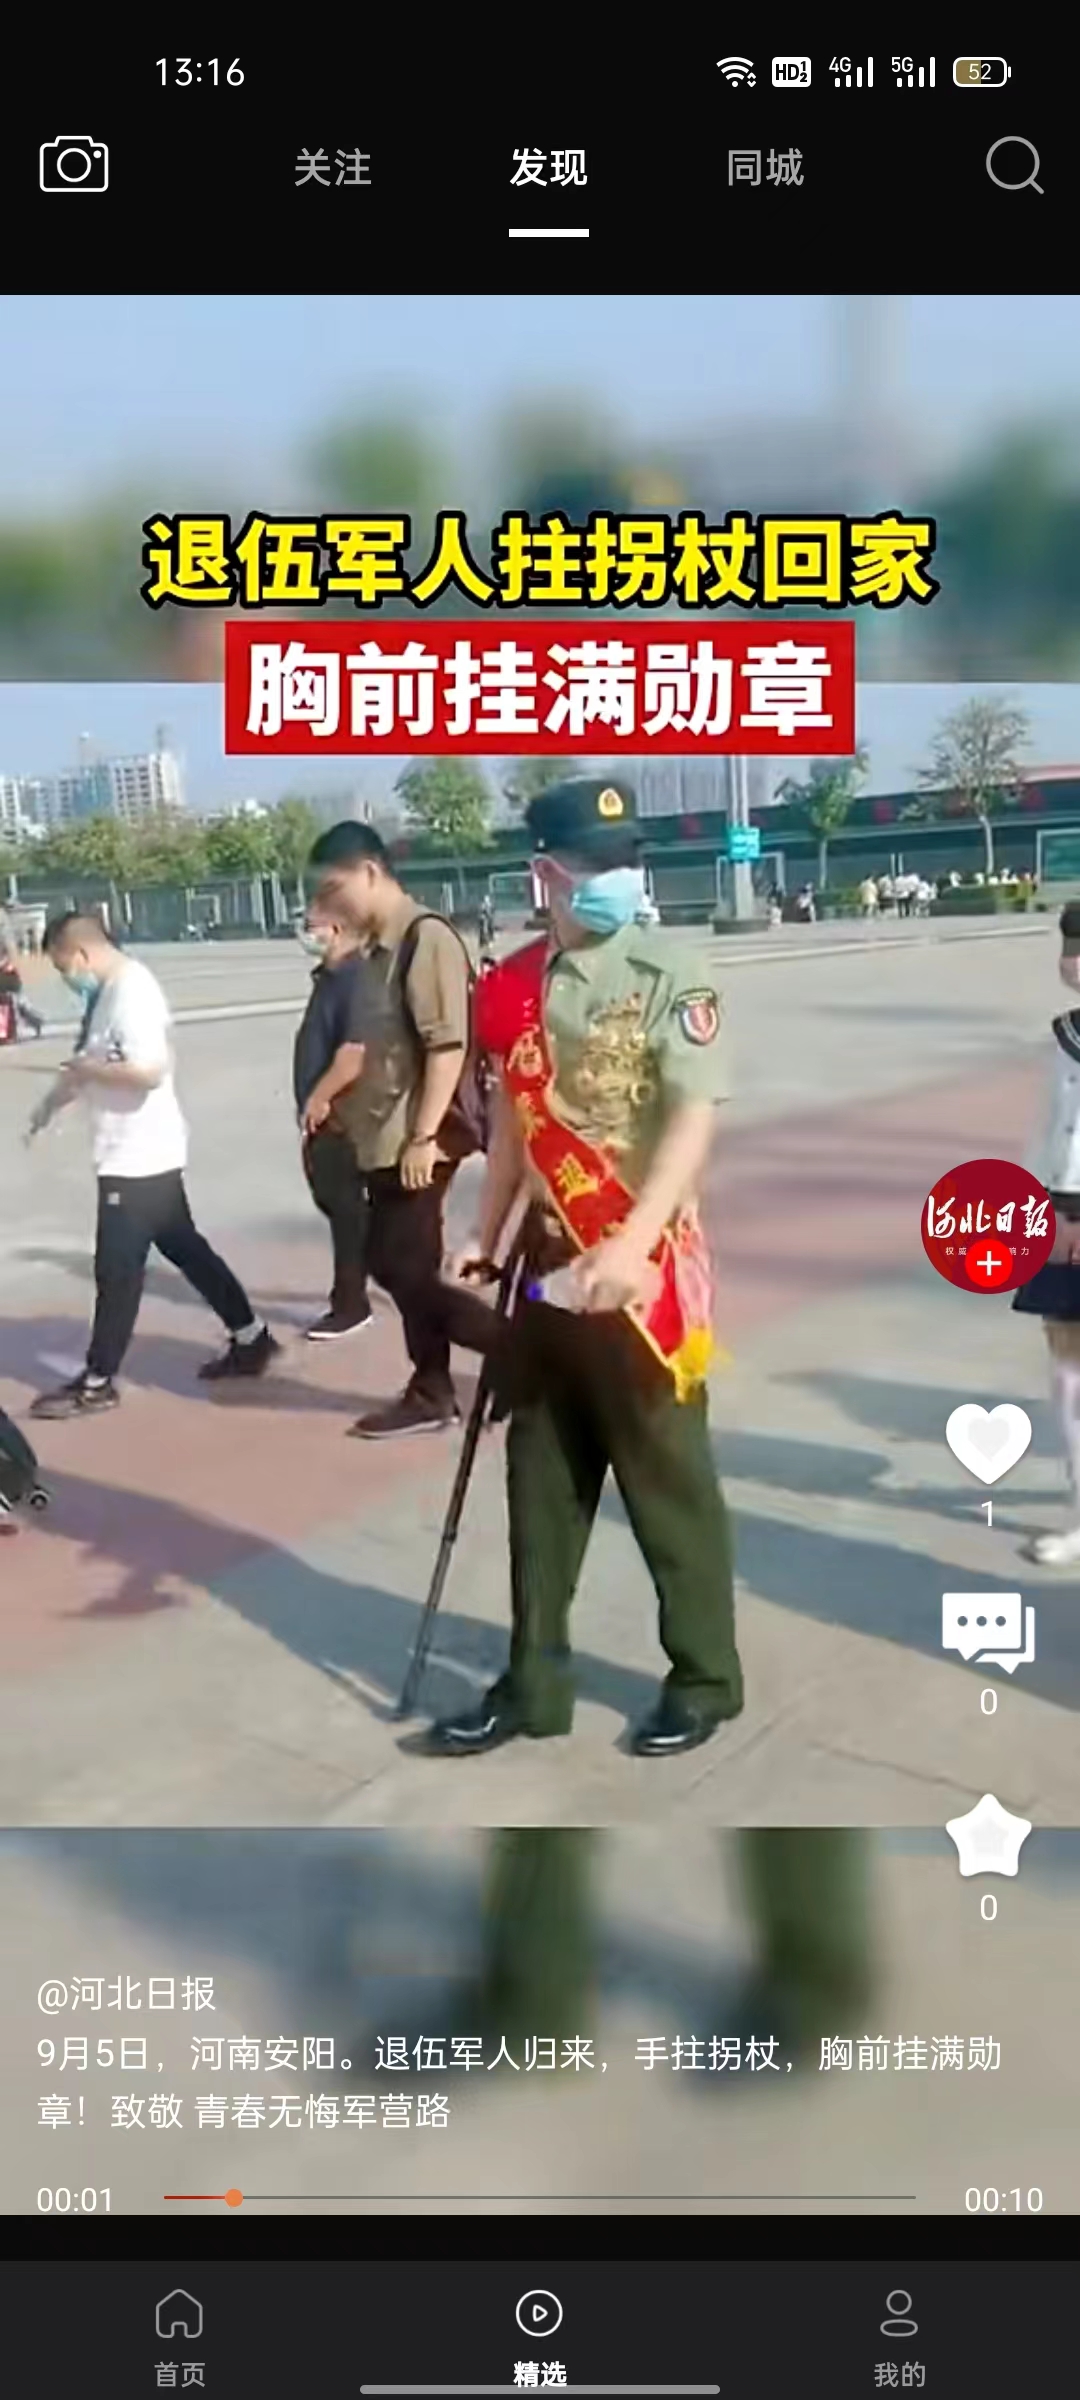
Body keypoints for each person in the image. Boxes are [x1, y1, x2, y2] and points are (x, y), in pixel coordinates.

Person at [426, 774, 744, 1761]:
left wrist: (634, 1241)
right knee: (538, 1478)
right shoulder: (513, 984)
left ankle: (705, 1677)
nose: (617, 879)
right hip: (546, 1266)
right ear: (546, 875)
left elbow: (692, 1120)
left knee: (667, 1481)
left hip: (642, 1273)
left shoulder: (670, 971)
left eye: (626, 862)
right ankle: (535, 1683)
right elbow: (515, 1127)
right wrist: (482, 1231)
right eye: (593, 866)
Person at [25, 913, 277, 1420]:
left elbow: (147, 1070)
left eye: (63, 967)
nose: (67, 978)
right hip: (137, 1151)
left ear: (81, 954)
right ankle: (251, 1337)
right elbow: (90, 1060)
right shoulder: (107, 995)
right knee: (185, 1247)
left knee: (117, 1269)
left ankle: (98, 1381)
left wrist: (89, 1069)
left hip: (137, 1157)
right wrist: (51, 1104)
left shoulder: (133, 993)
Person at [307, 821, 486, 1439]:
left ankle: (518, 1357)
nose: (328, 906)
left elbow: (447, 1046)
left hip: (417, 1142)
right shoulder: (376, 951)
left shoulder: (423, 938)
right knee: (398, 1267)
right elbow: (379, 1052)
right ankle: (438, 1385)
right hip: (381, 1137)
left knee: (402, 1266)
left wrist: (424, 1138)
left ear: (370, 873)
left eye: (334, 889)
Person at [1013, 901, 1080, 1564]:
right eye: (1070, 948)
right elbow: (1045, 1129)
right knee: (1066, 1369)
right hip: (1058, 1211)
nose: (1077, 962)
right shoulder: (1060, 1037)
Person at [293, 896, 384, 1341]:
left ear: (337, 928)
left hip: (343, 1116)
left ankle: (351, 1304)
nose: (305, 932)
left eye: (312, 924)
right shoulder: (328, 977)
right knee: (338, 1204)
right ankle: (358, 1291)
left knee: (347, 1211)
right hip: (327, 1118)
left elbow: (354, 1052)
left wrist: (319, 1097)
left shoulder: (354, 978)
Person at [0, 943, 44, 1039]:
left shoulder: (9, 968)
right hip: (4, 994)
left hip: (13, 993)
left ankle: (36, 1023)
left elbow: (15, 983)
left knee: (22, 1008)